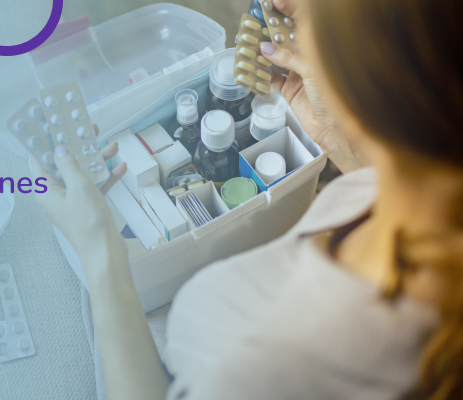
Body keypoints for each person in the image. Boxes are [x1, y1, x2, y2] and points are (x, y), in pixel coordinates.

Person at [30, 0, 463, 398]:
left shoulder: (254, 363)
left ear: (358, 96)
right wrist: (337, 140)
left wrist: (100, 253)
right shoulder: (427, 185)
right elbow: (390, 178)